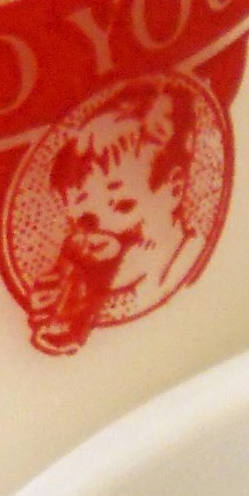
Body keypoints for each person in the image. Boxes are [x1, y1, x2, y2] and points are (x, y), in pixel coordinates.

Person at [23, 78, 212, 355]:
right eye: (84, 214)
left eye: (122, 205)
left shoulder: (188, 260)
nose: (101, 227)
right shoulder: (104, 276)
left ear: (175, 188)